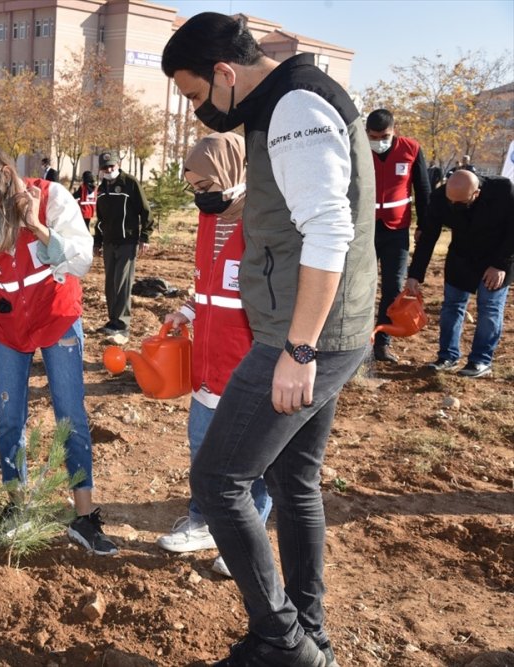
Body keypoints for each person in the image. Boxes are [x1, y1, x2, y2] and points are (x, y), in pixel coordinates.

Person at [162, 13, 376, 667]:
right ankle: (308, 635)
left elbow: (329, 230)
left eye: (197, 96)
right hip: (325, 325)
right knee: (295, 480)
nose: (199, 113)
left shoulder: (293, 107)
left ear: (225, 73)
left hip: (306, 332)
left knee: (220, 478)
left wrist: (300, 347)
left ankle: (283, 640)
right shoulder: (289, 104)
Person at [0, 140, 118, 556]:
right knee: (9, 420)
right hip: (10, 326)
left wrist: (36, 226)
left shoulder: (51, 197)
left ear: (5, 175)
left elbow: (81, 259)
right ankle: (17, 505)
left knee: (70, 415)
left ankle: (84, 515)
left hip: (56, 316)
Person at [154, 133, 271, 579]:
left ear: (231, 173)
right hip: (207, 358)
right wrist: (187, 309)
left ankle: (246, 536)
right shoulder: (211, 219)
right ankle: (203, 522)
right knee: (202, 448)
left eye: (204, 185)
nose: (199, 196)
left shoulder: (263, 220)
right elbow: (208, 280)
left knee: (253, 460)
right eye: (194, 188)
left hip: (248, 361)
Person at [406, 169, 513, 378]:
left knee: (490, 308)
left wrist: (501, 265)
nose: (454, 206)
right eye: (451, 201)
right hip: (461, 257)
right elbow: (428, 237)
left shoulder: (504, 191)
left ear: (477, 193)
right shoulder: (439, 198)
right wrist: (415, 274)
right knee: (452, 307)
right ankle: (447, 356)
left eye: (460, 203)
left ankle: (481, 360)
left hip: (496, 258)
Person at [365, 109, 431, 363]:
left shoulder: (411, 149)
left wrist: (424, 225)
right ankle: (359, 340)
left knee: (393, 287)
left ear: (395, 130)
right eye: (372, 136)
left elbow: (423, 189)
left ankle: (382, 343)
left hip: (396, 230)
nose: (378, 141)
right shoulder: (359, 148)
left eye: (384, 136)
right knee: (362, 286)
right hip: (365, 230)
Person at [93, 151, 152, 345]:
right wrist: (98, 242)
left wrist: (144, 236)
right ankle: (112, 321)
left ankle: (123, 325)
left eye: (111, 166)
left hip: (128, 241)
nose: (109, 170)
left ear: (118, 164)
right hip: (109, 242)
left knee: (123, 283)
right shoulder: (101, 189)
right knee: (110, 283)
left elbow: (145, 211)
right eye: (105, 167)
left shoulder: (130, 183)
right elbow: (100, 219)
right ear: (101, 169)